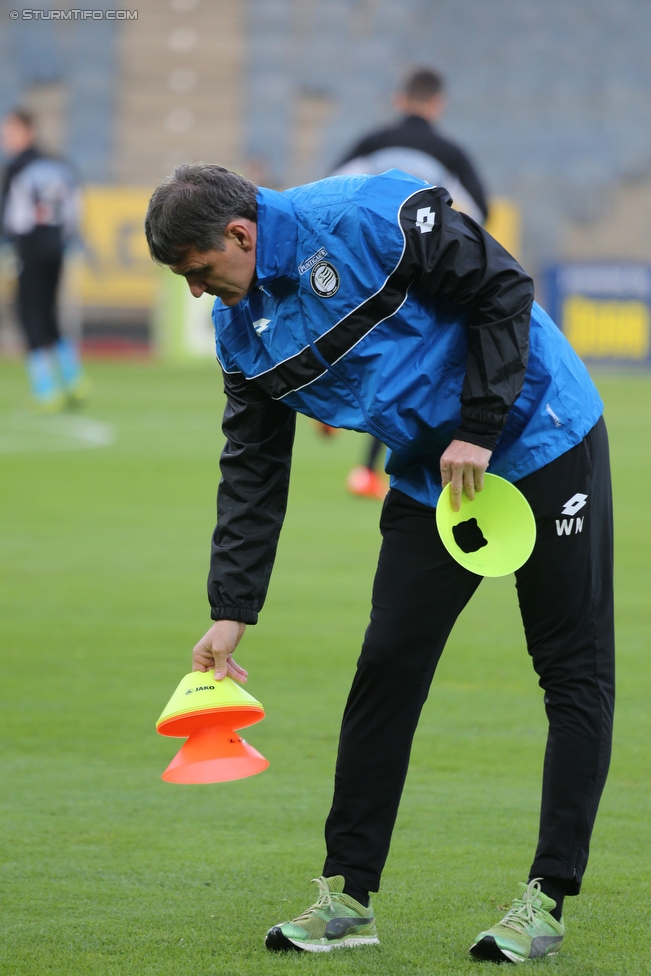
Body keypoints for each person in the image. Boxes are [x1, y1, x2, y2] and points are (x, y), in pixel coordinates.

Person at [144, 164, 614, 963]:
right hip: (437, 476)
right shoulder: (240, 331)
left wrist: (480, 424)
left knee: (569, 669)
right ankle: (347, 898)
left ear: (240, 235)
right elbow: (253, 468)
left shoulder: (367, 216)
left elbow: (503, 289)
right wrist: (231, 610)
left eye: (197, 271)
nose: (195, 293)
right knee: (386, 665)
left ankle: (546, 898)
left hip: (542, 437)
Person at [333, 67, 489, 499]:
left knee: (377, 354)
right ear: (438, 103)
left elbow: (328, 193)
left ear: (400, 99)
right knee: (412, 369)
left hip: (365, 268)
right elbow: (480, 212)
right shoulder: (450, 153)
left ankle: (332, 396)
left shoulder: (371, 144)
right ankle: (375, 470)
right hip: (420, 274)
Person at [1, 109, 88, 410]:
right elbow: (76, 209)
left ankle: (45, 388)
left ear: (28, 131)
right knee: (49, 312)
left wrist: (10, 245)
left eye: (10, 132)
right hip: (57, 247)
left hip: (31, 247)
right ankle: (74, 378)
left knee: (28, 314)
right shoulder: (59, 165)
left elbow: (14, 216)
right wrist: (67, 242)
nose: (5, 139)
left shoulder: (17, 168)